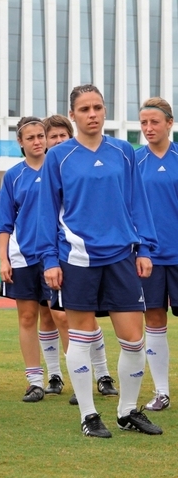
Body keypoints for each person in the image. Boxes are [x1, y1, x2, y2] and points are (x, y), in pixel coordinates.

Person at [37, 84, 162, 438]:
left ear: (104, 111)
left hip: (122, 256)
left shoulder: (123, 152)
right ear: (73, 114)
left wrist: (146, 248)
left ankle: (127, 412)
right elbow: (46, 213)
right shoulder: (58, 157)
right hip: (77, 259)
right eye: (84, 109)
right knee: (80, 337)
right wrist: (50, 259)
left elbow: (139, 203)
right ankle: (89, 416)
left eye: (98, 107)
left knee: (134, 340)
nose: (92, 114)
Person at [43, 114, 118, 406]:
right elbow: (32, 215)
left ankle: (102, 373)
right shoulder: (25, 173)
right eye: (53, 137)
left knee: (87, 320)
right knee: (59, 318)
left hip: (89, 253)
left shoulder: (91, 159)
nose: (58, 140)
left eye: (63, 135)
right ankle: (71, 380)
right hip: (53, 253)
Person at [0, 116, 64, 402]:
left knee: (60, 315)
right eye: (31, 137)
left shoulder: (60, 168)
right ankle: (35, 381)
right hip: (22, 257)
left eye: (41, 136)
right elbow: (4, 223)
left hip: (56, 256)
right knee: (27, 317)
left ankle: (72, 375)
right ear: (20, 143)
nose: (37, 141)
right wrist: (2, 260)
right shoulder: (13, 176)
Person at [136, 97, 178, 412]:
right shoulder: (134, 161)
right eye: (144, 123)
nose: (149, 128)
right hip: (148, 257)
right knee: (154, 320)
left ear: (169, 124)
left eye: (154, 122)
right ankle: (161, 391)